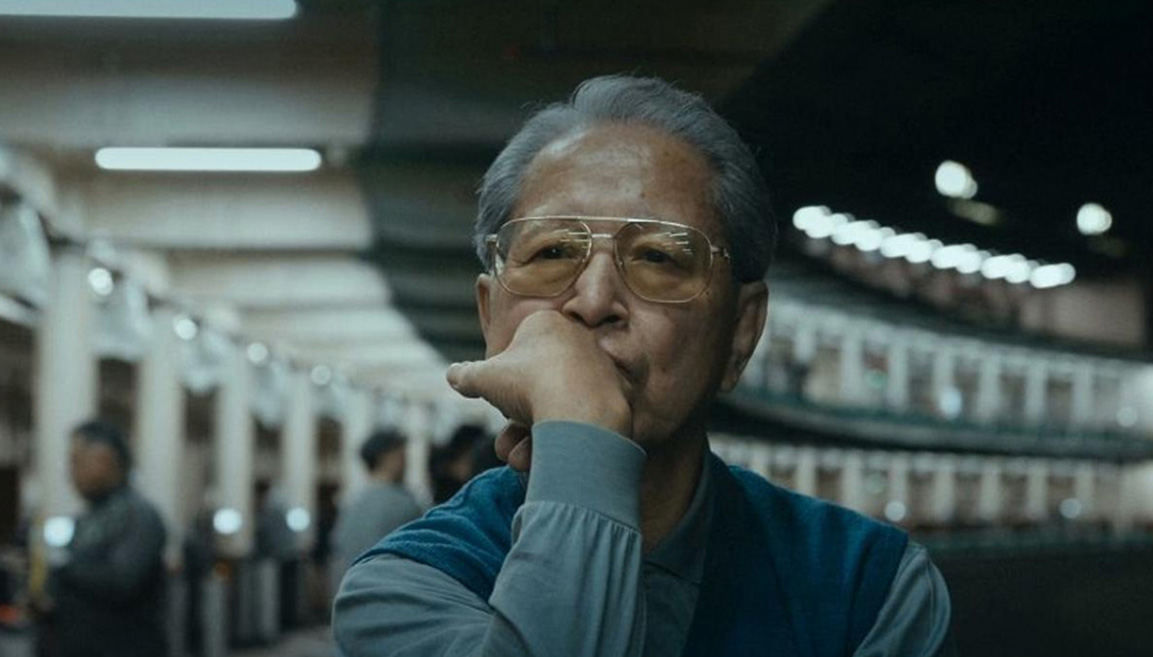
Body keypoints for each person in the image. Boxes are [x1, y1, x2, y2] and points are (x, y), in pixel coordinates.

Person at [334, 75, 954, 656]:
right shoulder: (402, 589)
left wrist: (579, 433)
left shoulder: (871, 588)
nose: (594, 300)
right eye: (552, 252)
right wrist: (583, 436)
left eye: (658, 257)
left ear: (740, 332)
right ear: (491, 318)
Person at [50, 419, 167, 657]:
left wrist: (62, 566)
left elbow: (121, 581)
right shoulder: (87, 517)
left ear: (105, 459)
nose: (71, 472)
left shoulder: (138, 515)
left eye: (77, 461)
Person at [329, 430, 423, 587]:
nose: (407, 463)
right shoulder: (403, 503)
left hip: (352, 590)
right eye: (402, 456)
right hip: (392, 591)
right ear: (389, 458)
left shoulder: (352, 504)